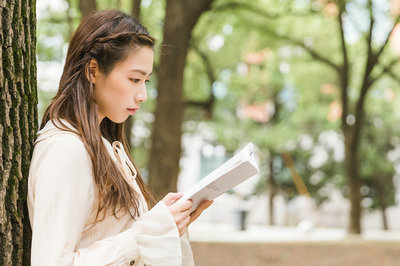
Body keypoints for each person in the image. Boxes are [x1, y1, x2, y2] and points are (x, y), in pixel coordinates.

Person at [27, 9, 212, 266]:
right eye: (134, 79)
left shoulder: (103, 145)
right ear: (93, 71)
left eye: (145, 81)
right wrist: (145, 236)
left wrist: (163, 224)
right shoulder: (66, 149)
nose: (142, 95)